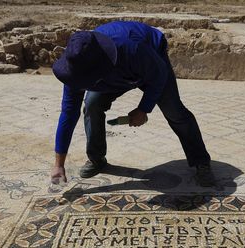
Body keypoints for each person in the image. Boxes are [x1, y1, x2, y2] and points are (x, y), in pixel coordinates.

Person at [50, 21, 214, 187]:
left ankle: (201, 161)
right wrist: (59, 165)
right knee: (92, 105)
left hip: (148, 61)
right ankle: (96, 159)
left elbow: (159, 75)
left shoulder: (132, 48)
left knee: (174, 110)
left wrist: (143, 109)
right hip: (115, 72)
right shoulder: (74, 68)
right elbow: (69, 114)